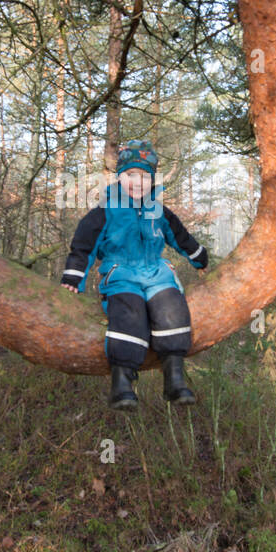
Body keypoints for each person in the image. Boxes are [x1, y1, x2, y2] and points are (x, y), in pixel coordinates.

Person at [59, 140, 209, 410]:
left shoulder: (159, 211)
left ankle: (174, 377)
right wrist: (73, 278)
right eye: (131, 176)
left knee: (172, 308)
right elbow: (84, 246)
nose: (137, 183)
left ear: (152, 181)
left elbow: (181, 237)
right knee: (129, 313)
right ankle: (122, 383)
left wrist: (199, 259)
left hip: (156, 271)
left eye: (144, 177)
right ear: (119, 177)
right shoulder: (105, 211)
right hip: (121, 273)